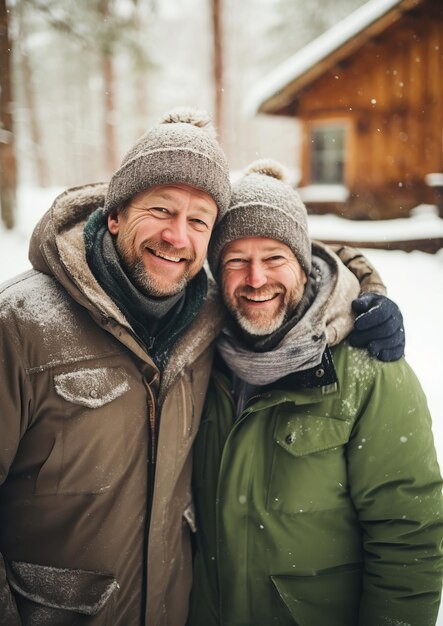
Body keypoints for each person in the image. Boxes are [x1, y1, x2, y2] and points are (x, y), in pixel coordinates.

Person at [0, 109, 404, 626]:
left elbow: (286, 254)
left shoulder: (211, 312)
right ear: (116, 212)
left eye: (198, 221)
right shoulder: (22, 324)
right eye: (161, 210)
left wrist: (366, 292)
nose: (176, 236)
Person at [187, 160, 443, 626]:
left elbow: (407, 535)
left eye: (274, 258)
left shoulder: (367, 368)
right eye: (236, 261)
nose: (256, 278)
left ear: (304, 265)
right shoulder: (196, 361)